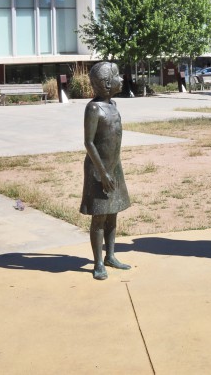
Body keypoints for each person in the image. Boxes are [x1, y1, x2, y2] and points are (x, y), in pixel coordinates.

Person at [81, 61, 131, 280]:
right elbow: (89, 143)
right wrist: (102, 173)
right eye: (118, 76)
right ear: (106, 84)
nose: (122, 79)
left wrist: (113, 168)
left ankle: (110, 255)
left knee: (113, 212)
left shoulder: (114, 105)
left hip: (114, 166)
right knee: (99, 216)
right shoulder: (93, 108)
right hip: (98, 169)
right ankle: (98, 262)